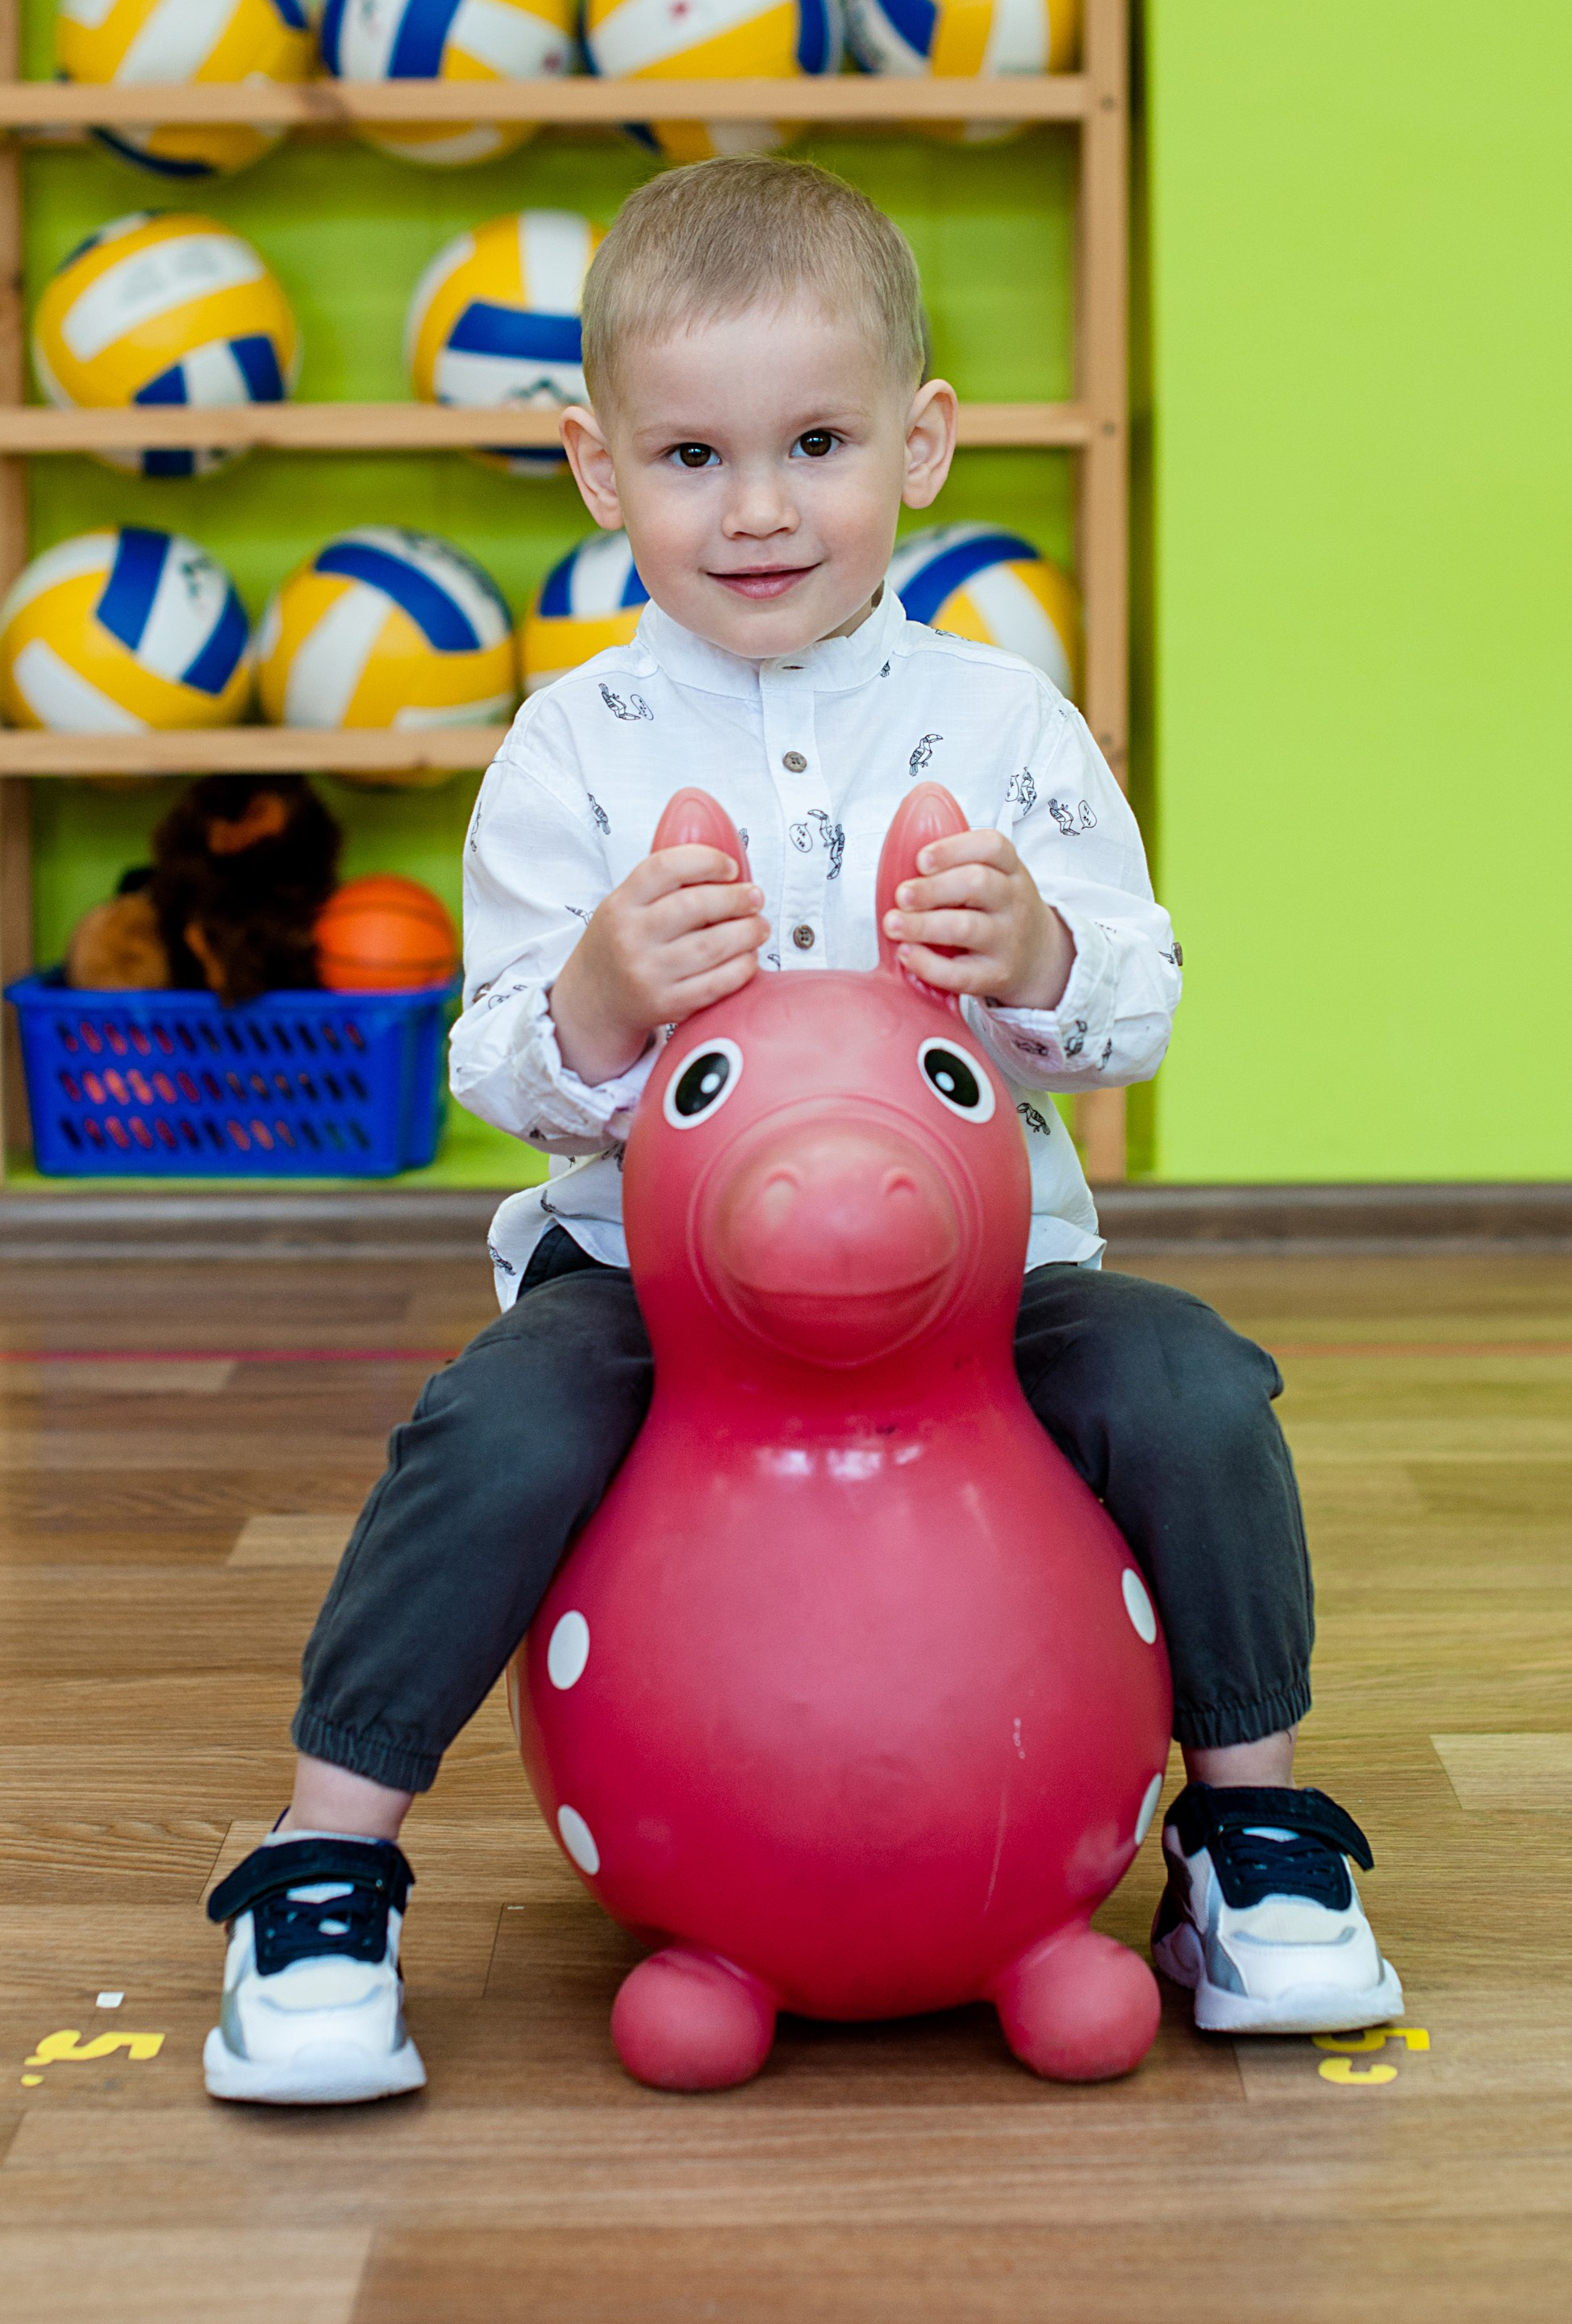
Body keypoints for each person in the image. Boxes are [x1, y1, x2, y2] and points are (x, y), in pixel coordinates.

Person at [202, 159, 1400, 2105]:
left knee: (1190, 1387)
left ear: (920, 445)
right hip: (648, 1281)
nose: (756, 509)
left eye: (816, 445)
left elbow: (1139, 1005)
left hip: (988, 1283)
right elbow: (493, 1060)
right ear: (599, 472)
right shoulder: (571, 748)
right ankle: (325, 1856)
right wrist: (601, 992)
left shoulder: (1007, 727)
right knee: (495, 1429)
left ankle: (1246, 1827)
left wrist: (1036, 954)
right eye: (692, 455)